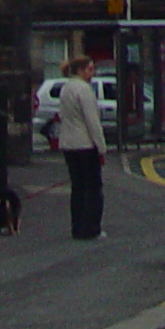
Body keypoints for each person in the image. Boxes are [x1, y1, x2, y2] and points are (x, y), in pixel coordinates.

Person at [54, 56, 108, 241]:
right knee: (93, 188)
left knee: (77, 188)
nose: (93, 74)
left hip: (69, 144)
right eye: (91, 69)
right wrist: (101, 147)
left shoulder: (66, 88)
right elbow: (92, 121)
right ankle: (92, 228)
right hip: (85, 144)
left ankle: (77, 227)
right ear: (82, 70)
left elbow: (62, 115)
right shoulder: (84, 90)